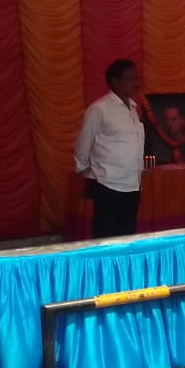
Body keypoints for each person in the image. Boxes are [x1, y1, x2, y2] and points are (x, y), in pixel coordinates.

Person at [74, 59, 145, 238]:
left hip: (133, 184)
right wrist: (85, 173)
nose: (136, 83)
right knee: (106, 237)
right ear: (116, 82)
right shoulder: (99, 109)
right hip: (107, 183)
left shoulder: (133, 108)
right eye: (131, 79)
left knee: (127, 237)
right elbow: (84, 143)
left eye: (136, 78)